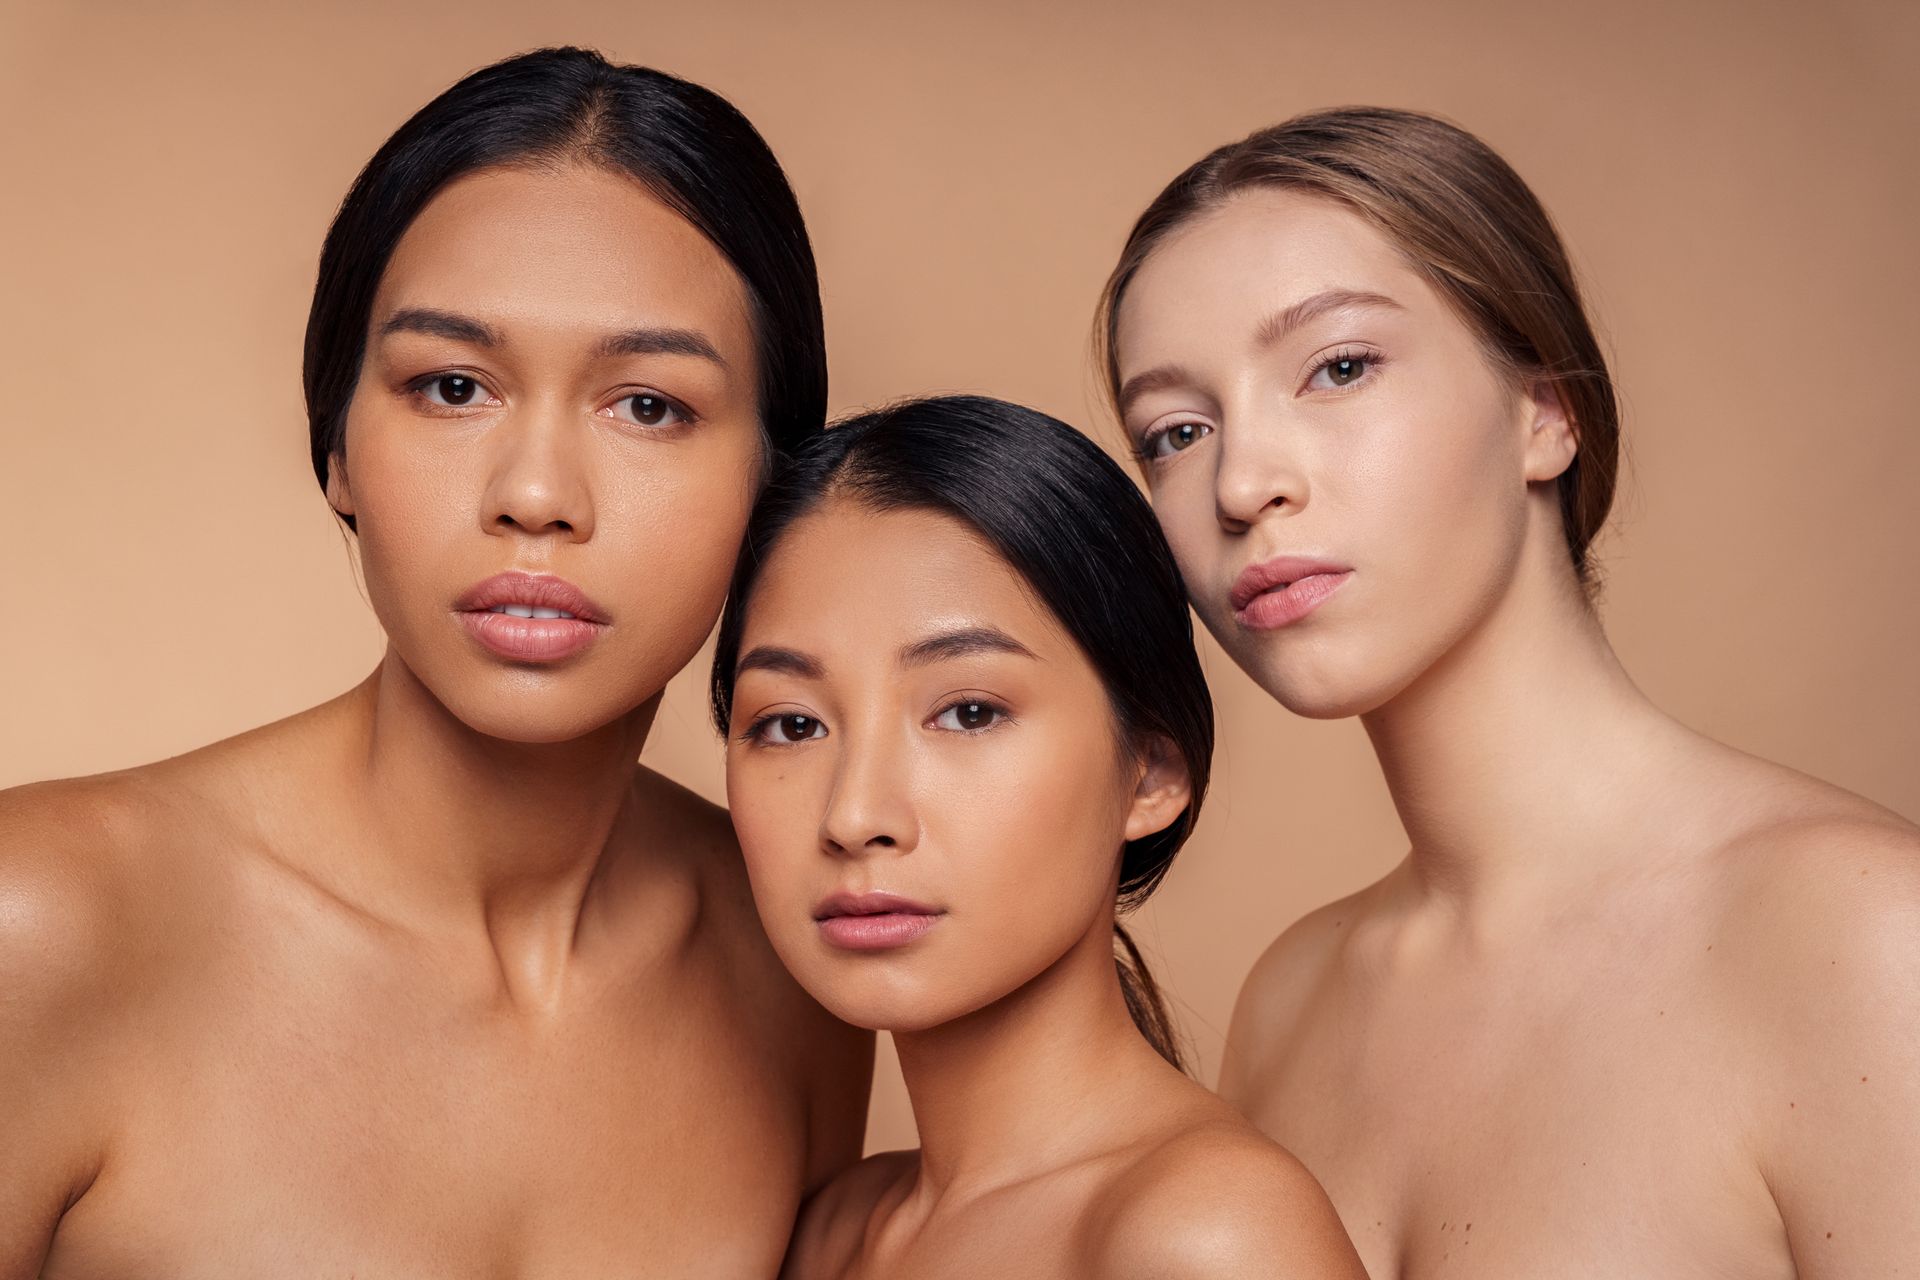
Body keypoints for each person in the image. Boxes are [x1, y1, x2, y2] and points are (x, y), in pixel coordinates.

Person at [0, 47, 868, 1275]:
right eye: (451, 385)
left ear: (772, 480)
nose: (535, 494)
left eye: (650, 405)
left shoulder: (793, 952)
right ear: (338, 445)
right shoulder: (44, 920)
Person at [1098, 106, 1920, 1276]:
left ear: (1546, 412)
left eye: (1337, 367)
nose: (1242, 481)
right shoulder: (1291, 999)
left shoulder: (1865, 943)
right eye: (1175, 431)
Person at [711, 395, 1367, 1279]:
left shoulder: (1207, 1237)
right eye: (790, 725)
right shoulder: (831, 1232)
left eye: (969, 711)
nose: (855, 815)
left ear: (1152, 774)